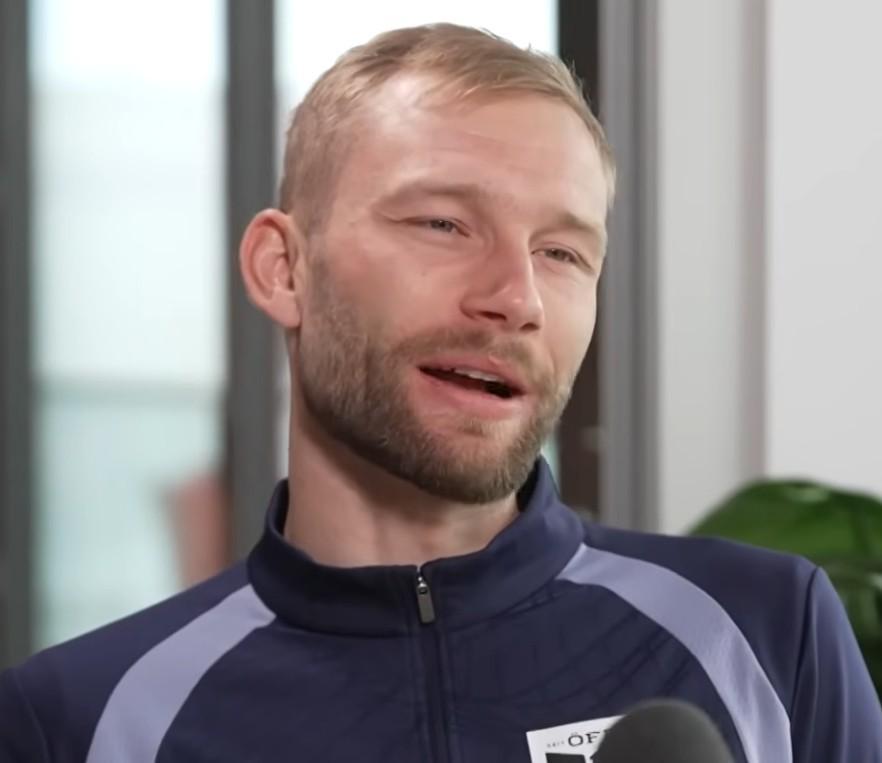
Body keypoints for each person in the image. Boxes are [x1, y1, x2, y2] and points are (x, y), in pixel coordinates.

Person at [1, 23, 879, 763]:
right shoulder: (82, 720)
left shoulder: (766, 635)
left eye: (562, 252)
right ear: (283, 269)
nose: (517, 297)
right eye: (444, 223)